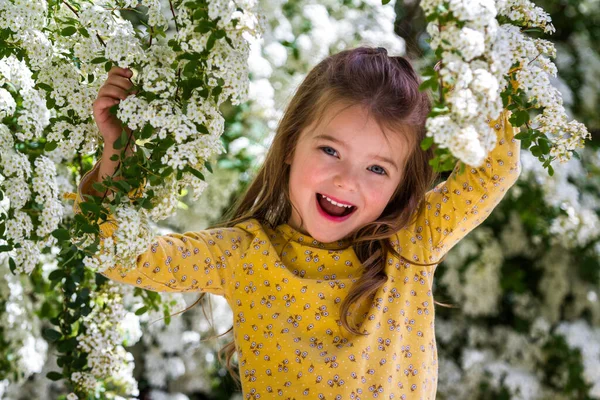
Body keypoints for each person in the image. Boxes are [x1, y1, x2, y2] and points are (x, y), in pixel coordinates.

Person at [72, 46, 521, 399]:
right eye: (330, 151)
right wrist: (117, 150)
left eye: (378, 169)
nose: (346, 180)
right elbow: (117, 252)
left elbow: (494, 169)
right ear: (291, 145)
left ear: (402, 182)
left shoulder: (411, 243)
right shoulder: (243, 255)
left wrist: (476, 73)